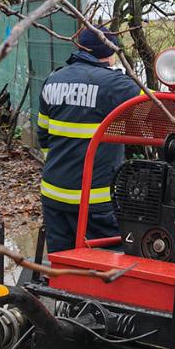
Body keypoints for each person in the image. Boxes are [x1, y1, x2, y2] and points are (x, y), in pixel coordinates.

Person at [37, 26, 141, 253]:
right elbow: (162, 108)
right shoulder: (117, 85)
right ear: (110, 52)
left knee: (62, 263)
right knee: (107, 264)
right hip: (94, 202)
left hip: (53, 196)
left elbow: (43, 137)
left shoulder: (52, 80)